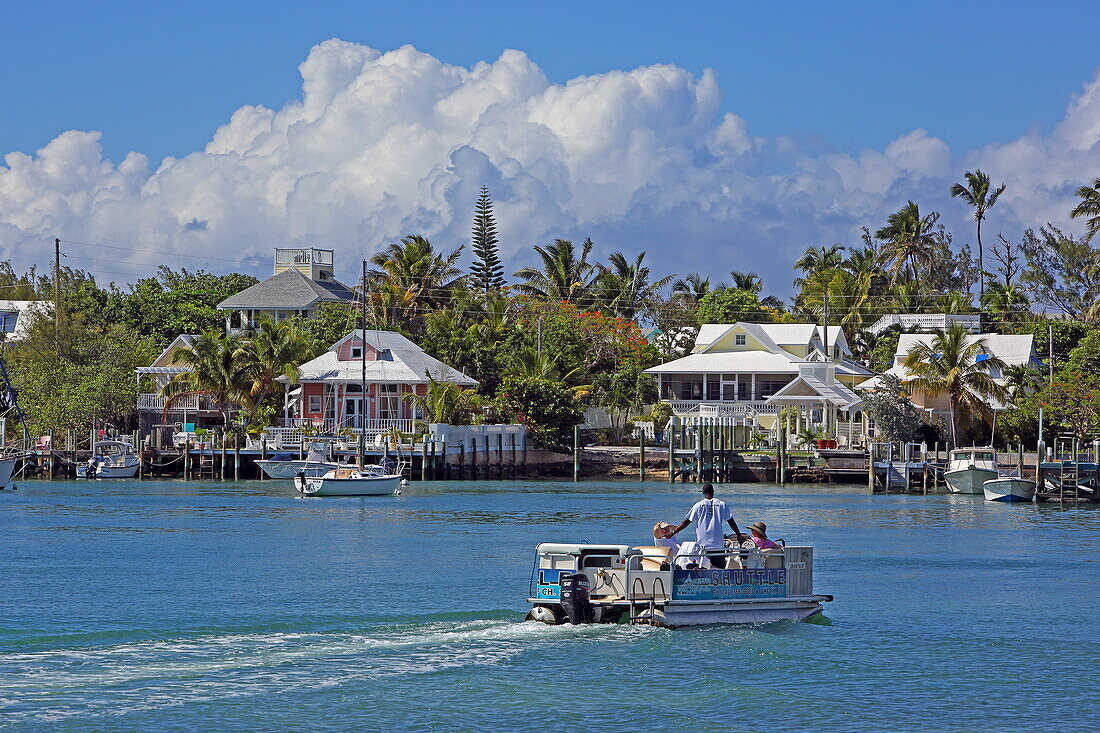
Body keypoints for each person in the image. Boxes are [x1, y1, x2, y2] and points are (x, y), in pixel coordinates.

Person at [667, 484, 744, 569]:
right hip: (718, 545)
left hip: (702, 546)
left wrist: (673, 533)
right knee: (720, 570)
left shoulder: (698, 505)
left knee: (702, 569)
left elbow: (687, 521)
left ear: (703, 493)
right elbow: (731, 521)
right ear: (713, 492)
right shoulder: (722, 505)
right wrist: (738, 535)